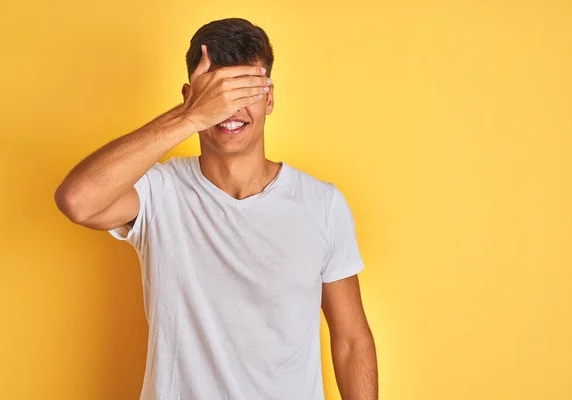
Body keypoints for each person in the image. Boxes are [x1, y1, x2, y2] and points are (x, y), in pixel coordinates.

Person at [55, 17, 377, 400]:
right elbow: (77, 201)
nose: (231, 110)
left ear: (270, 97)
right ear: (192, 96)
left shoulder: (322, 203)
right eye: (217, 95)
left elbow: (351, 340)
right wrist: (190, 116)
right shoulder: (159, 192)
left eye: (246, 92)